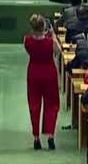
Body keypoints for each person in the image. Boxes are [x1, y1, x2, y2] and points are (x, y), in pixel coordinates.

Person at [25, 13, 61, 150]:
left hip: (33, 73)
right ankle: (50, 135)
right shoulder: (50, 41)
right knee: (52, 104)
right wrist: (52, 35)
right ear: (44, 26)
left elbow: (29, 51)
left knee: (34, 105)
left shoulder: (27, 40)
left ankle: (36, 137)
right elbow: (58, 51)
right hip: (49, 73)